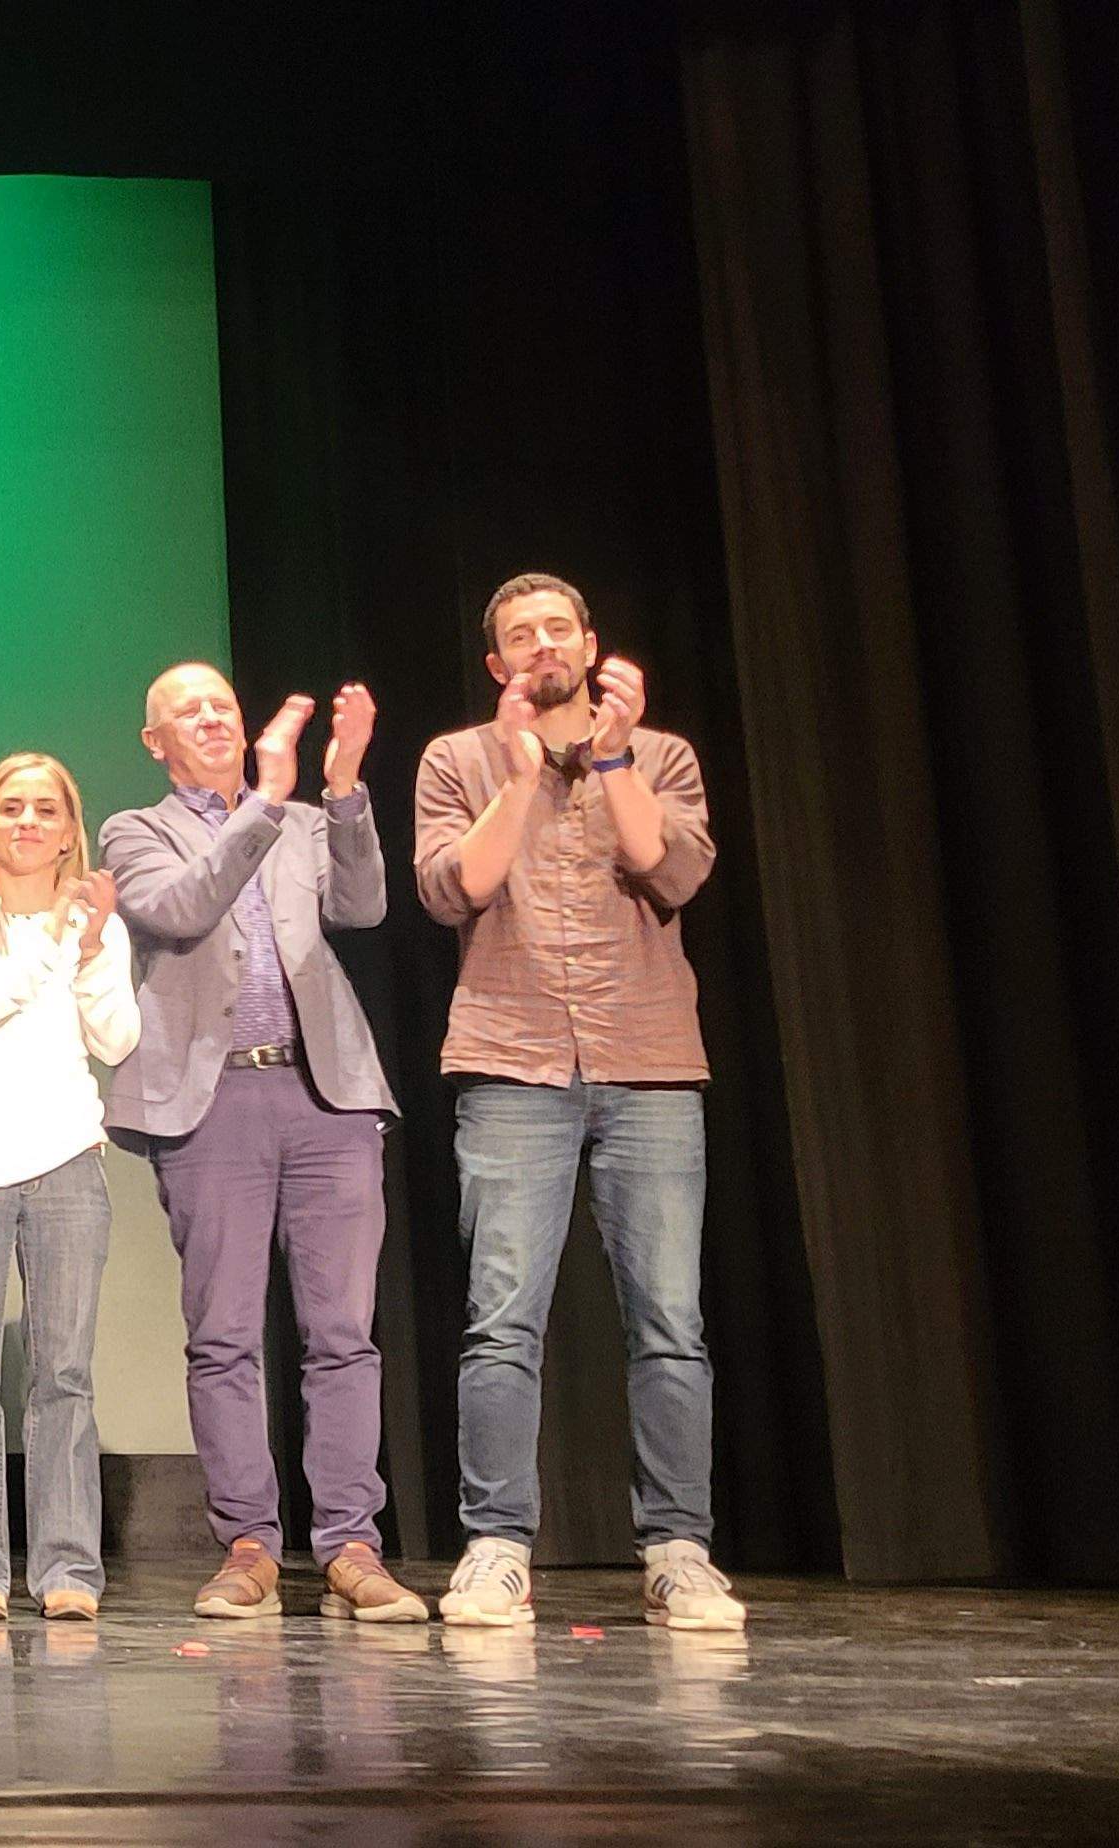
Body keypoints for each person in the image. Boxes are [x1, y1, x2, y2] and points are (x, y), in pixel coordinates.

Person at [413, 571, 744, 1632]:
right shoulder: (457, 759)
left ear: (591, 644)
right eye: (521, 635)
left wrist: (608, 756)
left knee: (670, 1320)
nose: (543, 644)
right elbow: (452, 889)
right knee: (501, 1318)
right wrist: (516, 777)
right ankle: (497, 1546)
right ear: (498, 664)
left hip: (646, 1062)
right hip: (511, 1064)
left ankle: (677, 1552)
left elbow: (669, 871)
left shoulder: (660, 757)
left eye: (558, 628)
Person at [105, 667, 424, 1625]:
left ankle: (352, 1545)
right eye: (189, 711)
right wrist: (270, 806)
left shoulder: (303, 818)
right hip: (212, 1105)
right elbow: (178, 911)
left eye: (224, 708)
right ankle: (247, 1544)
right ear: (155, 739)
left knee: (342, 1335)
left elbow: (363, 906)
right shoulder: (137, 831)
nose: (212, 719)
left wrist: (344, 787)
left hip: (325, 1095)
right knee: (225, 1337)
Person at [0, 752, 138, 1623]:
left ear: (70, 828)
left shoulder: (97, 926)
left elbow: (117, 1041)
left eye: (46, 809)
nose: (28, 822)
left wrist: (85, 954)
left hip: (68, 1162)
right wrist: (48, 943)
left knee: (64, 1374)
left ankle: (68, 1570)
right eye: (12, 807)